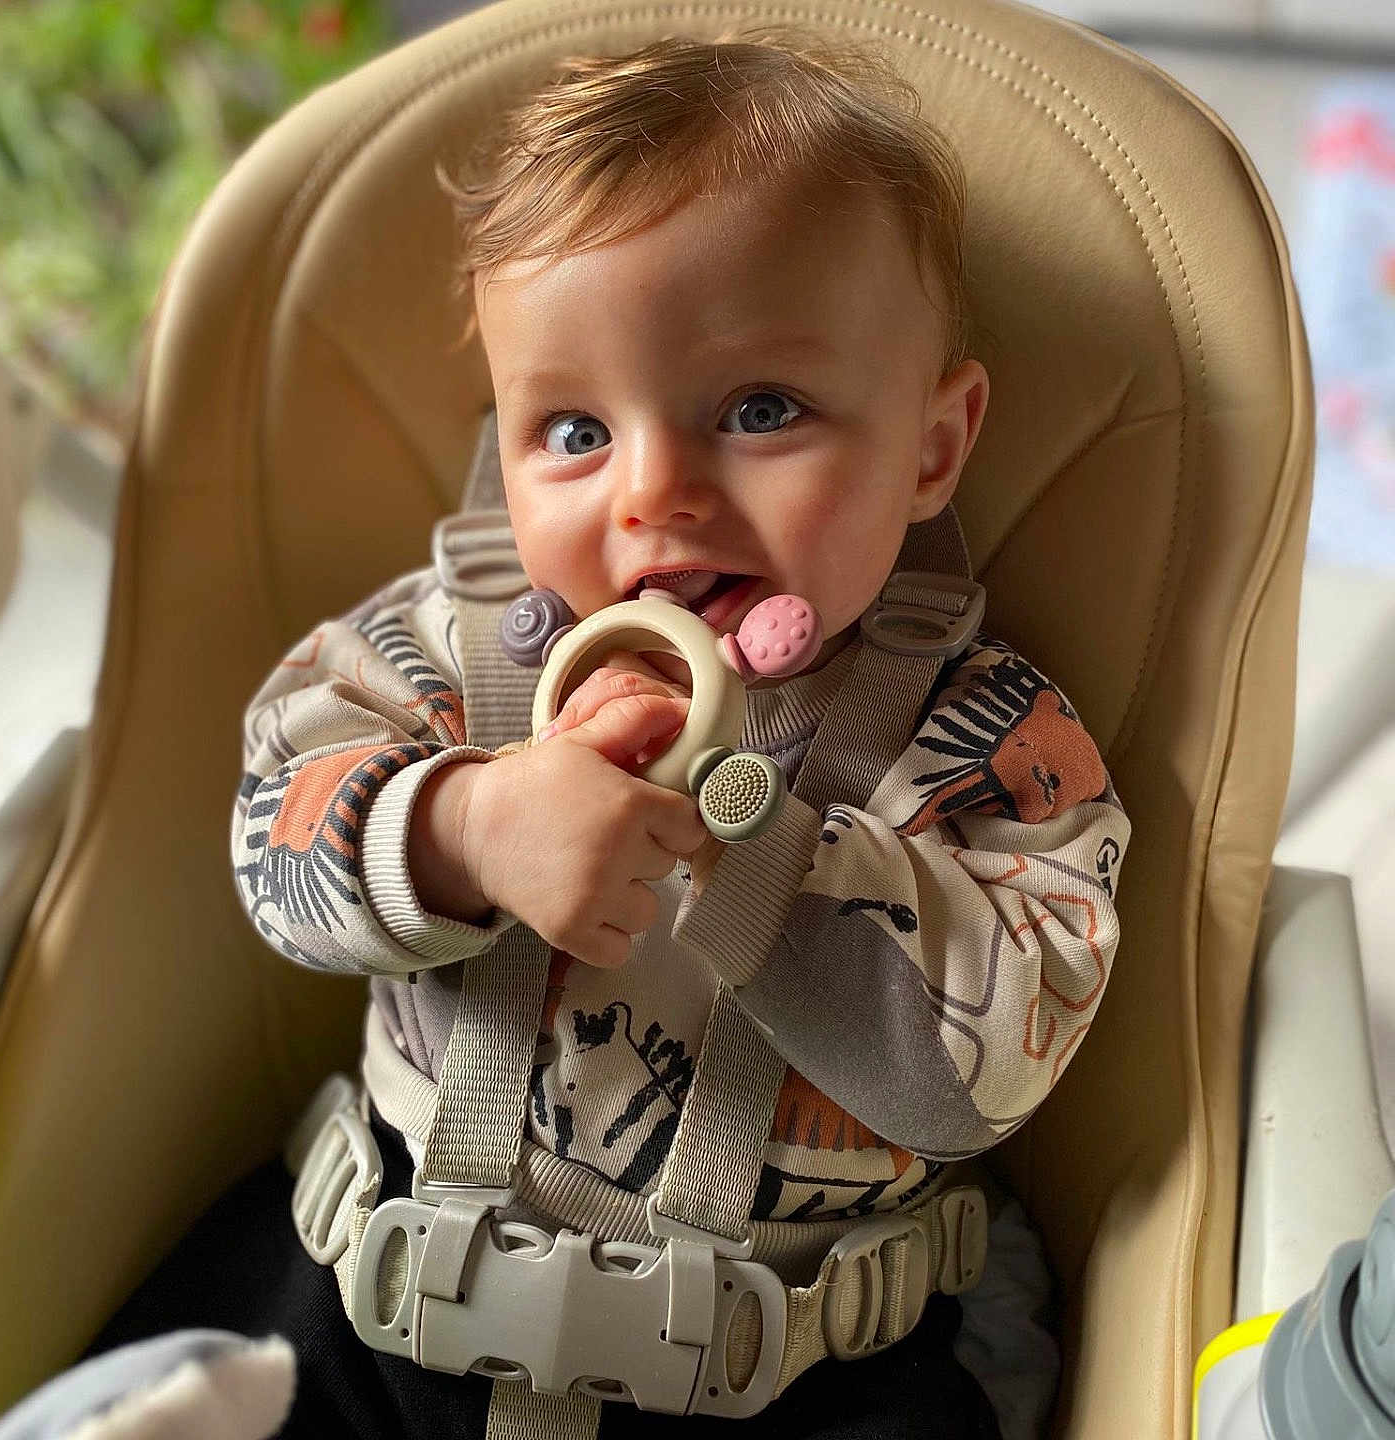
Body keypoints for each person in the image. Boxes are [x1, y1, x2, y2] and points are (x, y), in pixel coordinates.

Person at [94, 31, 1130, 1439]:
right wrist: (457, 825)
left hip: (803, 1365)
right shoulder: (437, 657)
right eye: (573, 431)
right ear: (501, 449)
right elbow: (275, 842)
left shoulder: (988, 738)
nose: (654, 495)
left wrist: (747, 834)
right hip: (370, 1282)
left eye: (759, 410)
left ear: (934, 446)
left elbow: (983, 1073)